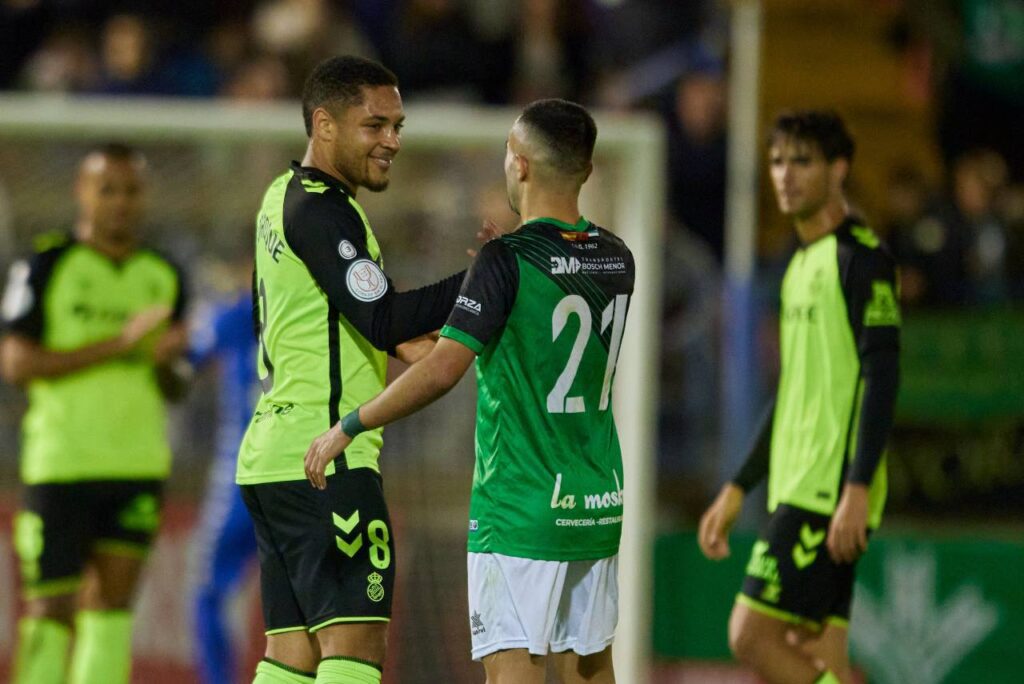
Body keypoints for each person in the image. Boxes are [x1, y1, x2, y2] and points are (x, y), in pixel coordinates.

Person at [305, 98, 636, 684]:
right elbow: (546, 316)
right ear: (585, 170)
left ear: (519, 164)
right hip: (595, 500)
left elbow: (442, 370)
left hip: (520, 509)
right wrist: (489, 275)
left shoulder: (506, 260)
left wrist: (350, 424)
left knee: (515, 672)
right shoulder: (617, 257)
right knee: (591, 669)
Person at [236, 55, 466, 684]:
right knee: (355, 651)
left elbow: (341, 320)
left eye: (397, 125)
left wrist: (410, 343)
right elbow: (382, 314)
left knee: (292, 659)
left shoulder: (281, 196)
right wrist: (486, 274)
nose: (392, 140)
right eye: (375, 125)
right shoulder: (322, 208)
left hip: (274, 455)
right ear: (325, 125)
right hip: (325, 456)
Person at [697, 111, 901, 684]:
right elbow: (794, 392)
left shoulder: (862, 260)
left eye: (802, 161)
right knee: (816, 651)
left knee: (750, 636)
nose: (785, 175)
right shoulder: (797, 265)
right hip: (795, 483)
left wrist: (857, 488)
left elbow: (882, 377)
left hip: (828, 489)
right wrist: (739, 486)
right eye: (778, 161)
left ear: (839, 170)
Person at [1, 143, 189, 684]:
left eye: (131, 190)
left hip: (136, 466)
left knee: (111, 610)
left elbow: (175, 387)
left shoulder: (164, 275)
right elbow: (15, 362)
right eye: (107, 189)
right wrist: (121, 344)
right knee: (49, 610)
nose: (121, 202)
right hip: (60, 464)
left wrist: (166, 361)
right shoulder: (48, 263)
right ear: (81, 193)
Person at [188, 264, 259, 684]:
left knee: (207, 589)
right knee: (306, 597)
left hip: (241, 475)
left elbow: (188, 356)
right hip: (306, 471)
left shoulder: (236, 313)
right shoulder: (317, 308)